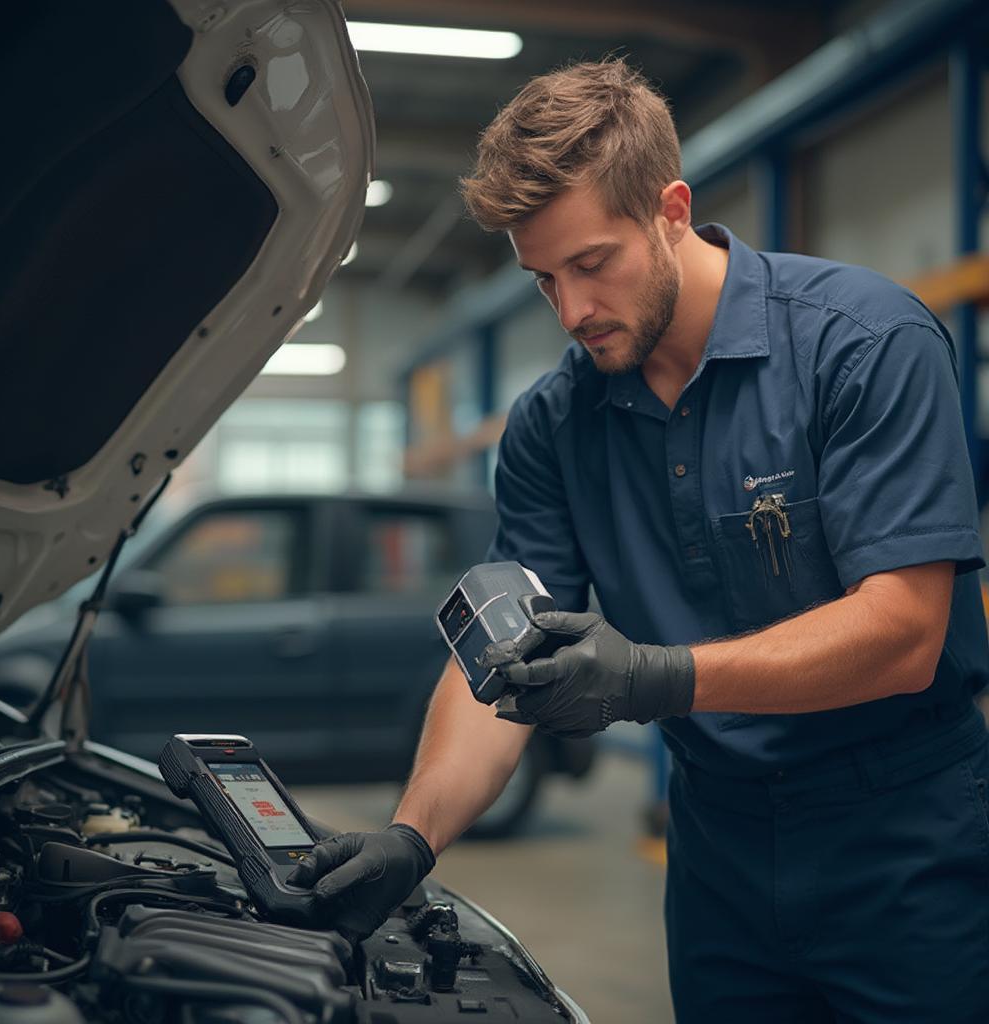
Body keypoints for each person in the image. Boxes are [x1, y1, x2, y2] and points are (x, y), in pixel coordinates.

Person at [290, 60, 989, 1021]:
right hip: (720, 856)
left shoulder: (861, 345)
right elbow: (500, 662)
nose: (572, 312)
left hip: (905, 837)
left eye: (591, 263)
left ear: (670, 209)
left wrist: (654, 677)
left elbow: (906, 633)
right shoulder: (552, 425)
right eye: (542, 281)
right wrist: (413, 837)